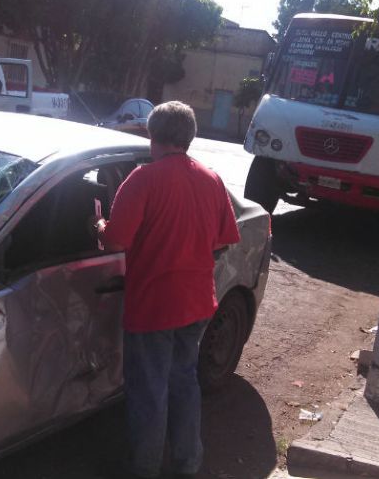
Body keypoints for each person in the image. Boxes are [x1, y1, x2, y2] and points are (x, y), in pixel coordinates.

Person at [92, 101, 241, 478]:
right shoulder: (211, 179)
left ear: (151, 134)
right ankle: (188, 462)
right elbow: (223, 241)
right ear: (189, 136)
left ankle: (143, 468)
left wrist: (98, 224)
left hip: (155, 306)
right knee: (184, 382)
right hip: (197, 304)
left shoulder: (143, 179)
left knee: (149, 391)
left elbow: (115, 241)